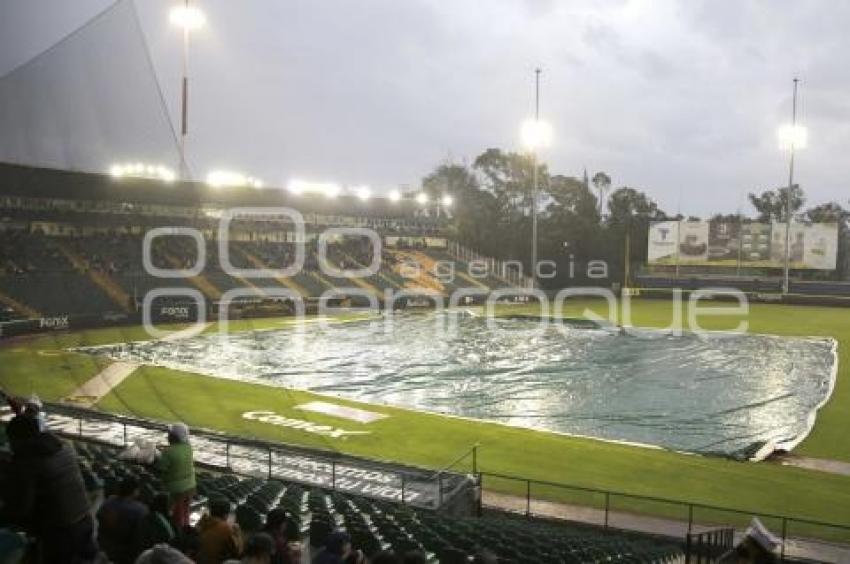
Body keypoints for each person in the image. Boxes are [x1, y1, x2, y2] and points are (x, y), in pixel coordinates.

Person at [2, 414, 98, 564]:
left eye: (12, 440)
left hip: (61, 531)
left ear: (19, 439)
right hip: (85, 517)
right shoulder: (61, 445)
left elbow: (21, 510)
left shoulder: (28, 461)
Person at [97, 476, 149, 564]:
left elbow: (98, 516)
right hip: (124, 554)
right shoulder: (140, 510)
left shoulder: (109, 501)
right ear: (135, 491)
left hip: (103, 547)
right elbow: (138, 538)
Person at [156, 422, 196, 528]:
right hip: (191, 486)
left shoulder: (168, 452)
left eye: (169, 433)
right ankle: (186, 529)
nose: (167, 435)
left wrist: (160, 455)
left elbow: (160, 469)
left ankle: (178, 535)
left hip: (176, 489)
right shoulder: (188, 447)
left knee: (177, 515)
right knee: (185, 511)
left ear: (174, 436)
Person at [196, 497, 243, 564]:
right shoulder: (226, 528)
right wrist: (238, 534)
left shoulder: (202, 522)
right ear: (225, 515)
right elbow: (238, 552)